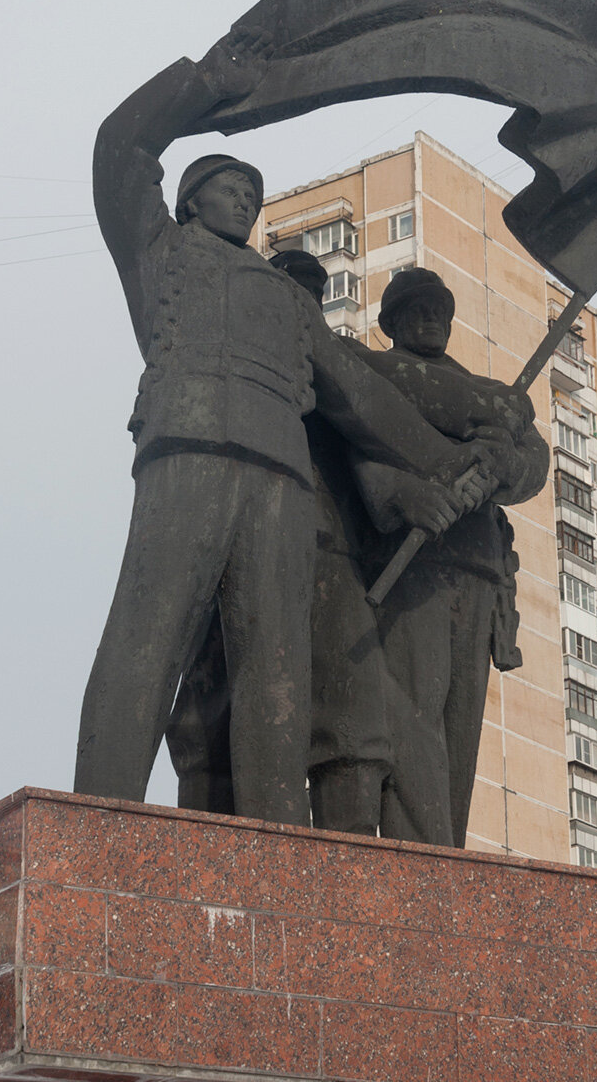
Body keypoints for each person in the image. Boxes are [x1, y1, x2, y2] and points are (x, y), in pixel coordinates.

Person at [74, 29, 487, 827]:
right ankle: (96, 825)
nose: (245, 201)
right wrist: (200, 86)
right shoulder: (159, 250)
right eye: (230, 186)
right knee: (146, 637)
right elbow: (118, 147)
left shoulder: (291, 302)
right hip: (188, 459)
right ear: (191, 197)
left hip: (282, 486)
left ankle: (277, 848)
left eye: (253, 195)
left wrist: (446, 461)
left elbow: (360, 403)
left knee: (277, 675)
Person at [165, 249, 479, 830]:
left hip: (327, 550)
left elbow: (371, 441)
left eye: (309, 293)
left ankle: (343, 879)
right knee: (209, 718)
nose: (297, 304)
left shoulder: (344, 364)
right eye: (287, 291)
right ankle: (219, 859)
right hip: (233, 548)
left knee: (354, 724)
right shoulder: (231, 358)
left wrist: (402, 492)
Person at [348, 268, 550, 845]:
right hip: (414, 565)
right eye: (416, 308)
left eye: (440, 307)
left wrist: (500, 467)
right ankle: (417, 859)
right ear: (389, 323)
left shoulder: (496, 403)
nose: (431, 317)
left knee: (460, 729)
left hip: (479, 568)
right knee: (414, 717)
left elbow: (533, 465)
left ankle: (445, 859)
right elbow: (367, 446)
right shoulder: (383, 376)